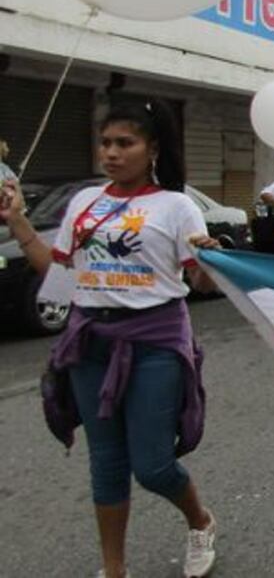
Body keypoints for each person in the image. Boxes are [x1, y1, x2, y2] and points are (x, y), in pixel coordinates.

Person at [0, 100, 220, 578]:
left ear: (152, 148)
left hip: (156, 342)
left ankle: (200, 522)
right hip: (89, 341)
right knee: (106, 462)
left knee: (154, 467)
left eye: (126, 143)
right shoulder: (85, 203)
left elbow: (202, 285)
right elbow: (60, 278)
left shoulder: (178, 206)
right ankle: (113, 568)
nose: (113, 153)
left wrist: (211, 262)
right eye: (106, 143)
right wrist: (17, 221)